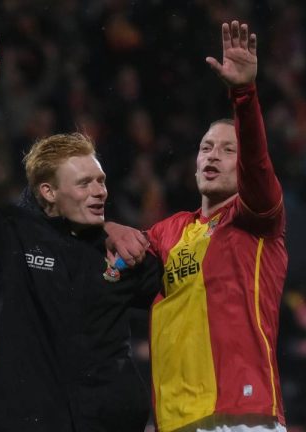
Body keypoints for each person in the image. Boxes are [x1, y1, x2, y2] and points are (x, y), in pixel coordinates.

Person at [0, 34, 162, 432]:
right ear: (48, 192)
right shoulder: (6, 239)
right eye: (85, 183)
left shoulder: (122, 249)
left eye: (102, 180)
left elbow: (183, 294)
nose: (100, 191)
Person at [107, 21, 288, 432]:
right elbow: (114, 273)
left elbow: (258, 166)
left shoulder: (258, 218)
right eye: (206, 147)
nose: (212, 156)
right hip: (175, 421)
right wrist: (108, 228)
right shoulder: (167, 232)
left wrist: (244, 95)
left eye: (228, 150)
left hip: (244, 416)